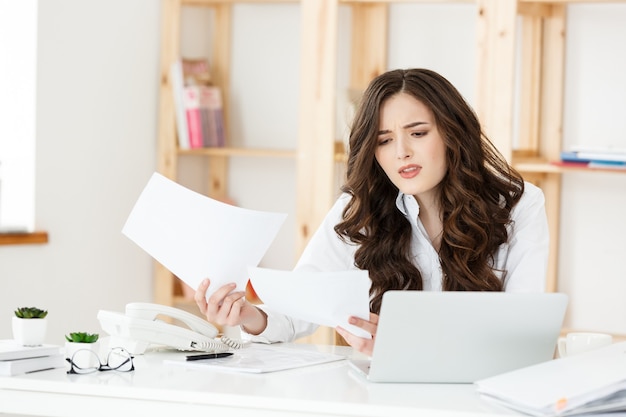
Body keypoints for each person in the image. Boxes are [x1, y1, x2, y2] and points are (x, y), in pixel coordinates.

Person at [195, 68, 549, 356]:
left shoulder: (519, 206)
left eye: (418, 133)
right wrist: (247, 316)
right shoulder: (358, 211)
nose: (402, 153)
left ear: (452, 134)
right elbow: (297, 310)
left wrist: (408, 348)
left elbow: (524, 336)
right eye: (384, 140)